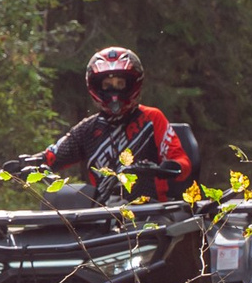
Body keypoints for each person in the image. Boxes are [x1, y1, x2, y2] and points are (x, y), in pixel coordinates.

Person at [15, 46, 193, 203]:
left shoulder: (151, 119)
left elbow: (181, 161)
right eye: (107, 85)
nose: (114, 91)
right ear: (96, 87)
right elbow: (53, 156)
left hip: (149, 212)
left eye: (120, 84)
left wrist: (165, 168)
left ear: (132, 84)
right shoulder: (87, 129)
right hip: (102, 217)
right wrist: (27, 164)